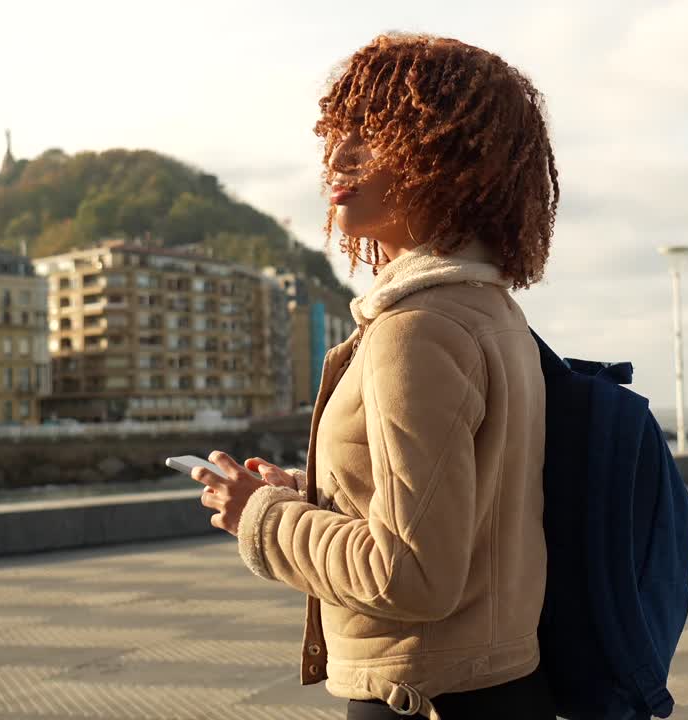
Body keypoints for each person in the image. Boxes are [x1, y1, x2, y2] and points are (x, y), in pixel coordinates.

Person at [191, 32, 558, 720]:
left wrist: (260, 517)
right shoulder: (491, 313)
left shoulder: (416, 331)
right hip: (500, 683)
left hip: (421, 697)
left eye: (371, 133)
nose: (337, 157)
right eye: (336, 134)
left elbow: (411, 574)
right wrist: (311, 494)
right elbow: (465, 512)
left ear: (447, 153)